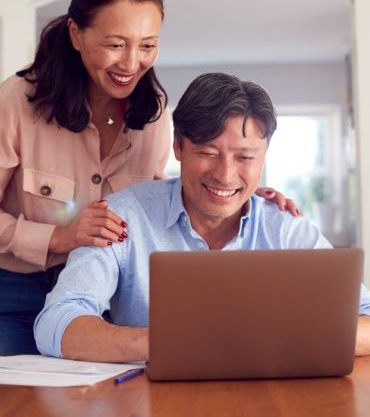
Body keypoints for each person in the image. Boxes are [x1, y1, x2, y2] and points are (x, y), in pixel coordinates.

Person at [0, 0, 297, 356]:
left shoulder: (153, 112)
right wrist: (58, 237)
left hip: (110, 299)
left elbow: (155, 202)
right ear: (76, 33)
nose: (131, 63)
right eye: (115, 44)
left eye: (147, 45)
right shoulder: (18, 102)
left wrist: (237, 193)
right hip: (16, 293)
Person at [34, 72, 370, 362]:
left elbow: (366, 320)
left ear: (264, 156)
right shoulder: (123, 216)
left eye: (245, 157)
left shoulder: (286, 227)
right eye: (208, 153)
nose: (225, 176)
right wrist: (165, 344)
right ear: (178, 147)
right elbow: (56, 322)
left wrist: (272, 342)